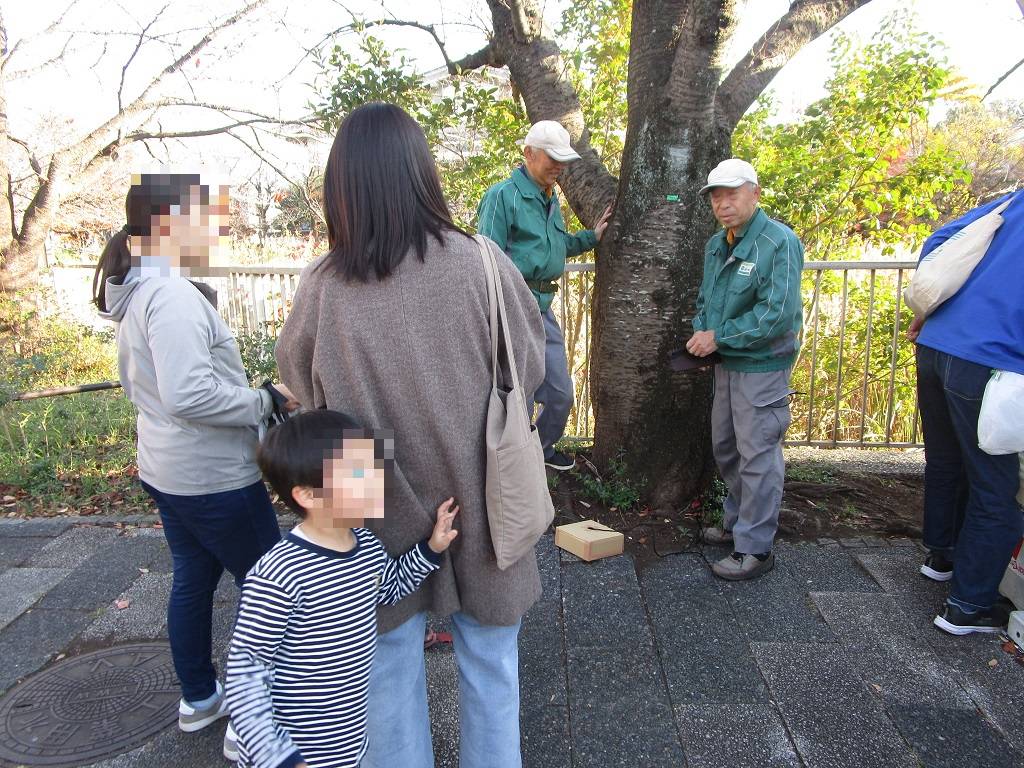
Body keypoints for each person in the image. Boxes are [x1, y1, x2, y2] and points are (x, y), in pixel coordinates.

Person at [275, 103, 546, 768]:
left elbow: (300, 390)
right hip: (481, 496)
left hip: (371, 510)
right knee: (491, 664)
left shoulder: (323, 286)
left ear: (344, 187)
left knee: (385, 670)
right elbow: (529, 365)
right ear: (421, 174)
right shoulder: (482, 263)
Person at [92, 174, 295, 739]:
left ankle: (201, 698)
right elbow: (189, 393)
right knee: (274, 596)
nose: (216, 228)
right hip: (213, 476)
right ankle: (254, 723)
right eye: (205, 217)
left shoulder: (140, 288)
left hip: (168, 468)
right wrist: (263, 399)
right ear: (169, 226)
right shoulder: (172, 296)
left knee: (194, 578)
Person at [224, 410, 459, 768]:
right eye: (357, 475)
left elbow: (389, 588)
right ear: (308, 496)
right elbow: (246, 673)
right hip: (293, 753)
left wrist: (430, 549)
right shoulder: (278, 574)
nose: (374, 483)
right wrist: (279, 758)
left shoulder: (366, 546)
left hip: (345, 744)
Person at [907, 189, 1024, 635]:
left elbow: (939, 242)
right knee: (995, 488)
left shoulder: (1012, 203)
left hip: (938, 342)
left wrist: (933, 310)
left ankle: (942, 556)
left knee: (946, 461)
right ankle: (968, 605)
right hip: (994, 358)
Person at [685, 158, 804, 581]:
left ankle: (756, 547)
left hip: (763, 365)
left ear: (754, 193)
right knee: (728, 448)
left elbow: (777, 314)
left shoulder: (779, 242)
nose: (723, 204)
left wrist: (719, 336)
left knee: (758, 455)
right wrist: (703, 332)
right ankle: (738, 525)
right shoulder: (718, 244)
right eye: (716, 197)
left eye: (731, 194)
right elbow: (706, 298)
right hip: (726, 363)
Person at [476, 120, 612, 471]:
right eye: (552, 157)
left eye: (562, 159)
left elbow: (555, 246)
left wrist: (592, 237)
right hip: (513, 309)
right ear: (529, 154)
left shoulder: (550, 199)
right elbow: (487, 258)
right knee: (517, 392)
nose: (559, 166)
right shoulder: (502, 196)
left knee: (560, 391)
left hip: (545, 307)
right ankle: (514, 466)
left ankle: (543, 449)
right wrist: (499, 311)